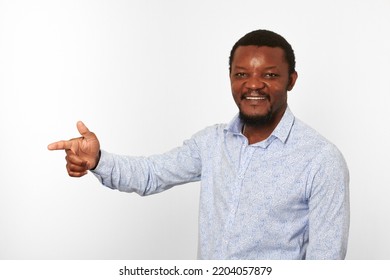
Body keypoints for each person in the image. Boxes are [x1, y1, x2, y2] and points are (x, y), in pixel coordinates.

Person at [48, 29, 350, 259]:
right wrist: (98, 159)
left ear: (291, 80)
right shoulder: (211, 143)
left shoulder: (321, 159)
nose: (254, 84)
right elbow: (151, 174)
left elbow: (325, 262)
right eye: (242, 74)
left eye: (270, 75)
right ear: (230, 77)